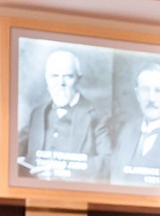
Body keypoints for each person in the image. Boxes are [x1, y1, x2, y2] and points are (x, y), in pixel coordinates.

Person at [17, 49, 111, 182]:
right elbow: (15, 151)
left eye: (68, 76)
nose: (60, 83)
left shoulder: (98, 116)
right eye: (54, 76)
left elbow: (107, 162)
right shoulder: (38, 113)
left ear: (78, 78)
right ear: (47, 78)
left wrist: (64, 172)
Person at [111, 63, 160, 187]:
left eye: (158, 91)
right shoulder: (126, 131)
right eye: (145, 90)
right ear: (137, 94)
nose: (151, 99)